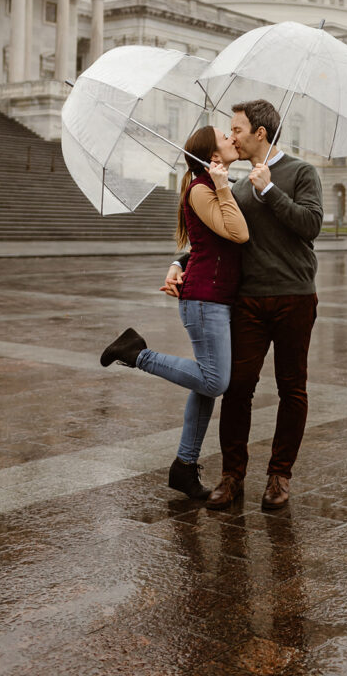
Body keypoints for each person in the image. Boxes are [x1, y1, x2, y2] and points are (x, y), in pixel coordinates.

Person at [164, 99, 323, 511]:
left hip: (294, 296)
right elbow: (216, 237)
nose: (230, 136)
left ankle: (279, 476)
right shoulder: (231, 185)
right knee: (237, 388)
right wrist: (179, 263)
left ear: (260, 134)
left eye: (236, 130)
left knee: (293, 389)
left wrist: (268, 189)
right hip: (248, 300)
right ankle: (232, 475)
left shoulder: (300, 172)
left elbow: (310, 225)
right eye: (230, 131)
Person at [100, 126, 248, 500]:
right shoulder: (201, 188)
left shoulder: (207, 185)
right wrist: (225, 186)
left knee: (204, 385)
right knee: (215, 381)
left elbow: (204, 242)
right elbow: (238, 233)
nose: (232, 140)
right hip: (203, 299)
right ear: (211, 156)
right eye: (224, 139)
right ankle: (136, 353)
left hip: (215, 297)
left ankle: (184, 466)